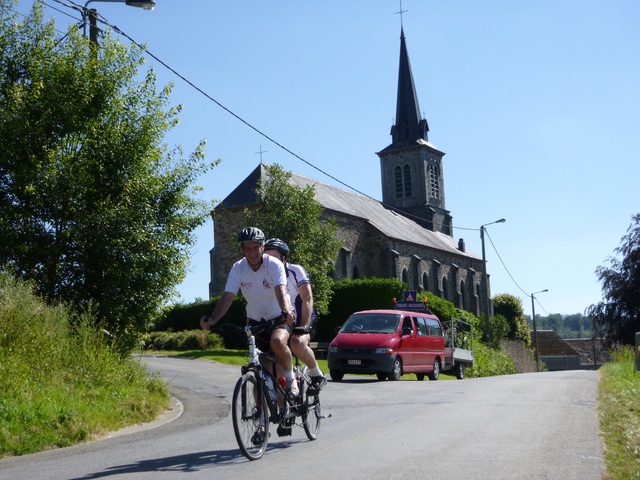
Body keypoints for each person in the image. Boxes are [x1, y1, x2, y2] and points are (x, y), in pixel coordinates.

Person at [200, 227, 299, 399]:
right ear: (243, 250)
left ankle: (291, 380)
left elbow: (281, 291)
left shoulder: (274, 265)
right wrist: (213, 318)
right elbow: (228, 296)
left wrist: (286, 310)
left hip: (279, 316)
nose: (252, 253)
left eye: (256, 248)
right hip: (254, 320)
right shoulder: (238, 268)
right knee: (261, 370)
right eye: (247, 249)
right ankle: (262, 418)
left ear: (262, 247)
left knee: (277, 341)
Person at [264, 238, 327, 395]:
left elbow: (307, 298)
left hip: (303, 317)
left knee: (297, 342)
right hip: (282, 322)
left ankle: (317, 374)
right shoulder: (264, 276)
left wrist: (304, 325)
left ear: (284, 258)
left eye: (275, 257)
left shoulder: (295, 270)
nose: (271, 262)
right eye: (267, 258)